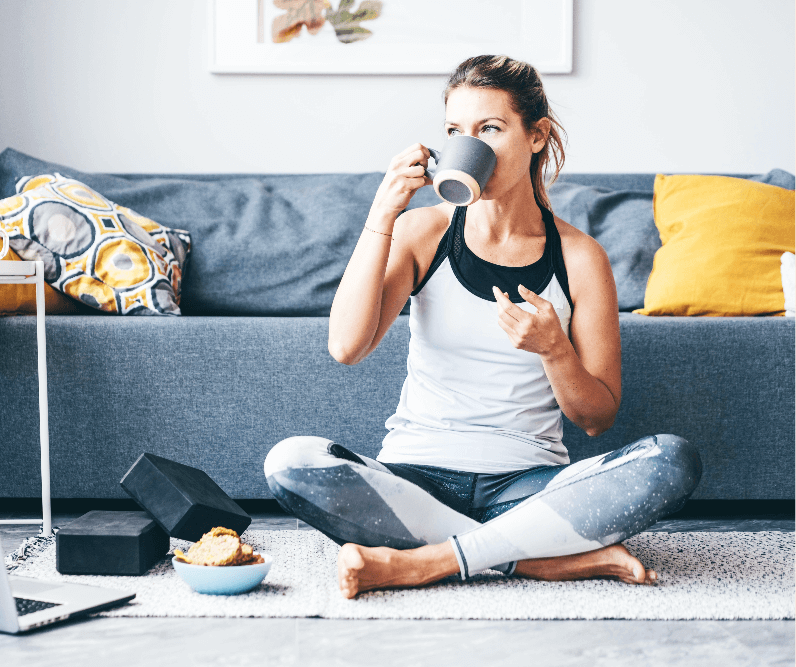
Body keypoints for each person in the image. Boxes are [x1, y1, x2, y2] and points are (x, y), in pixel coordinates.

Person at [263, 55, 702, 599]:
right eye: (455, 132)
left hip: (527, 487)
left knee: (672, 460)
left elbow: (597, 418)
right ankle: (536, 559)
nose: (468, 146)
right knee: (291, 462)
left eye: (489, 129)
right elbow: (346, 347)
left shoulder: (581, 259)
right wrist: (382, 214)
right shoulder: (422, 232)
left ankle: (426, 562)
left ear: (536, 136)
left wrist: (555, 351)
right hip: (415, 479)